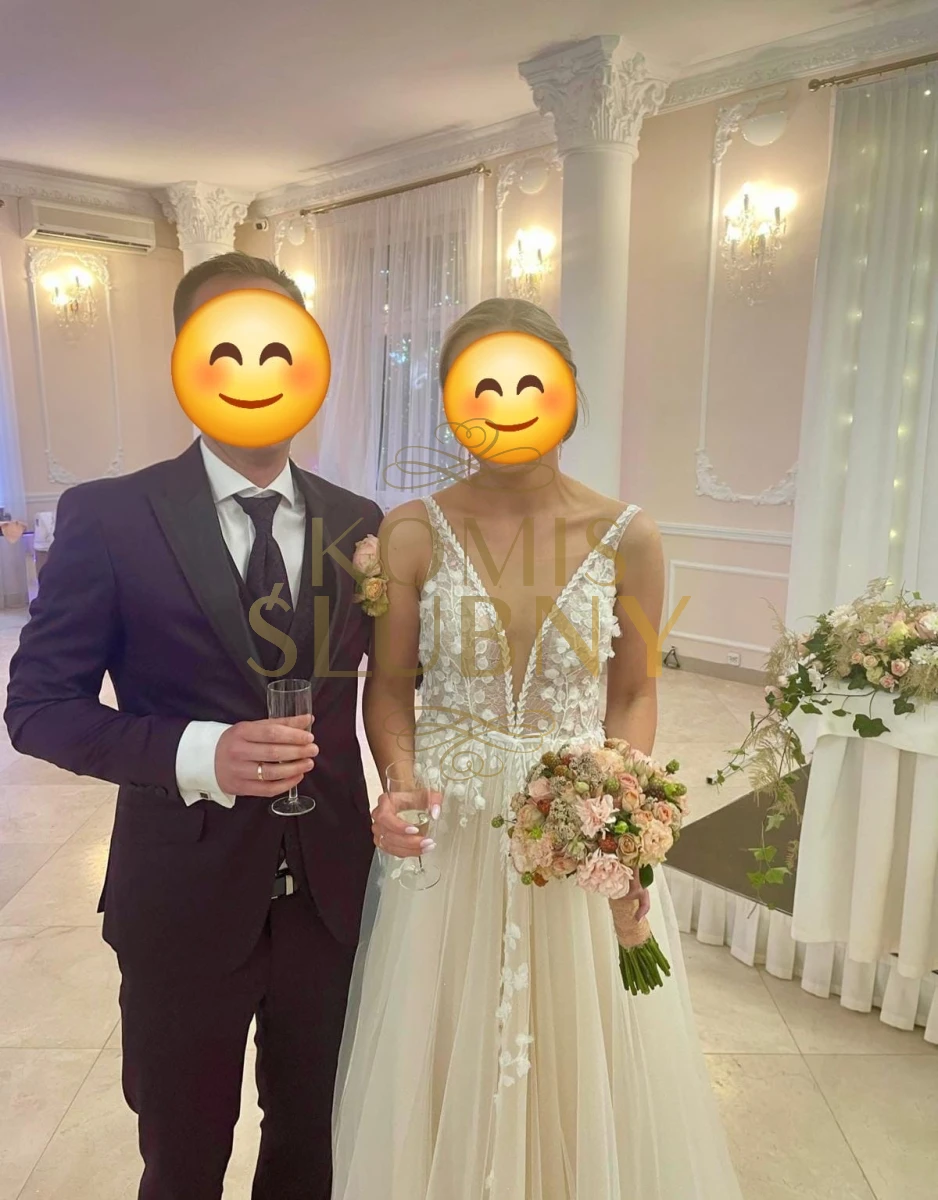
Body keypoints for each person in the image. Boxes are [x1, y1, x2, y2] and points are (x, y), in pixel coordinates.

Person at [333, 297, 743, 1198]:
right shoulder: (411, 531)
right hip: (449, 827)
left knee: (578, 1044)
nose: (505, 404)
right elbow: (390, 688)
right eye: (480, 386)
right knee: (441, 1041)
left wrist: (619, 801)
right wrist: (398, 781)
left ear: (568, 391)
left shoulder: (628, 534)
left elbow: (633, 690)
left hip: (574, 825)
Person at [4, 252, 382, 1200]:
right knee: (183, 1158)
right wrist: (197, 750)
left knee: (313, 1146)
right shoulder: (110, 517)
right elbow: (37, 708)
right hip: (181, 899)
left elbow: (398, 686)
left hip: (333, 897)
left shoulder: (359, 524)